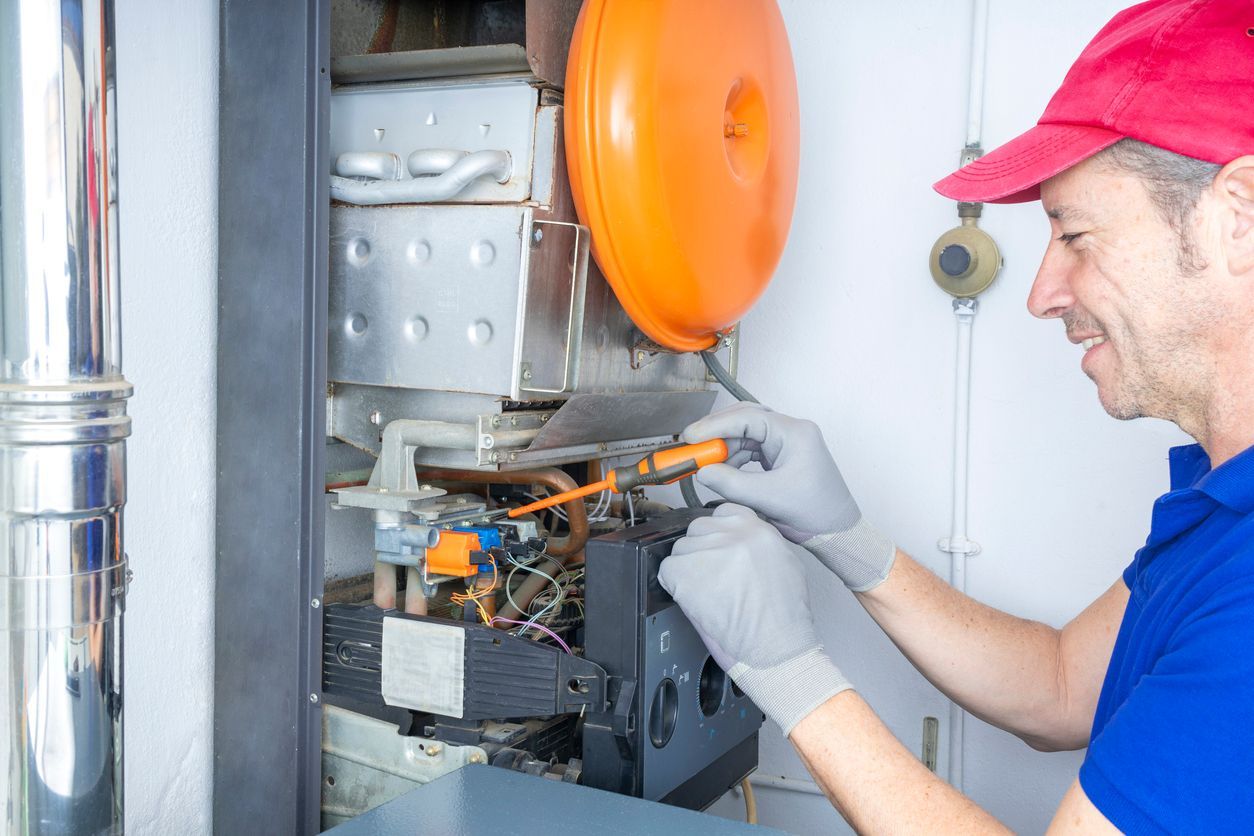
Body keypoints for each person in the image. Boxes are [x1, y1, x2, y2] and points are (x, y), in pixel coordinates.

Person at [658, 1, 1254, 832]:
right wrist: (847, 538)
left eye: (1075, 233)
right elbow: (1058, 689)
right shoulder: (1224, 504)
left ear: (1240, 215)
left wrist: (791, 675)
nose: (1043, 294)